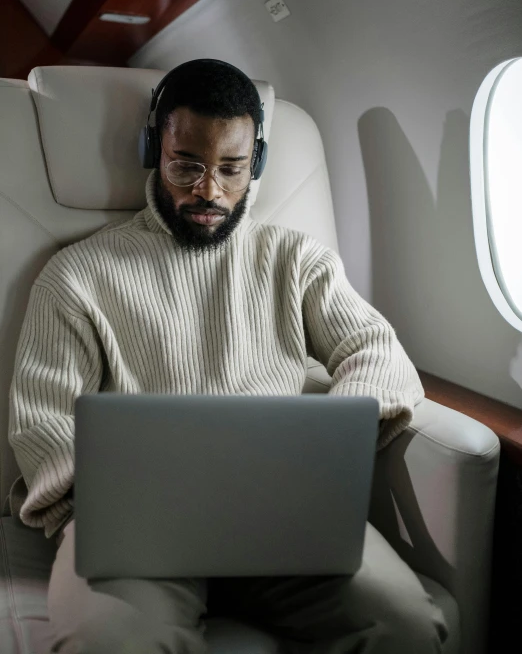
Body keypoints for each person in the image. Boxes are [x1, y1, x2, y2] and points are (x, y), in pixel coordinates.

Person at [8, 59, 448, 653]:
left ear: (256, 164)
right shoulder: (76, 277)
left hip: (283, 510)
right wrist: (106, 495)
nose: (208, 191)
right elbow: (42, 425)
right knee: (108, 642)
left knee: (407, 627)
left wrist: (322, 449)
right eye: (186, 165)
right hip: (137, 531)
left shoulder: (296, 260)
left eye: (231, 169)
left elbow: (376, 350)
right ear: (152, 150)